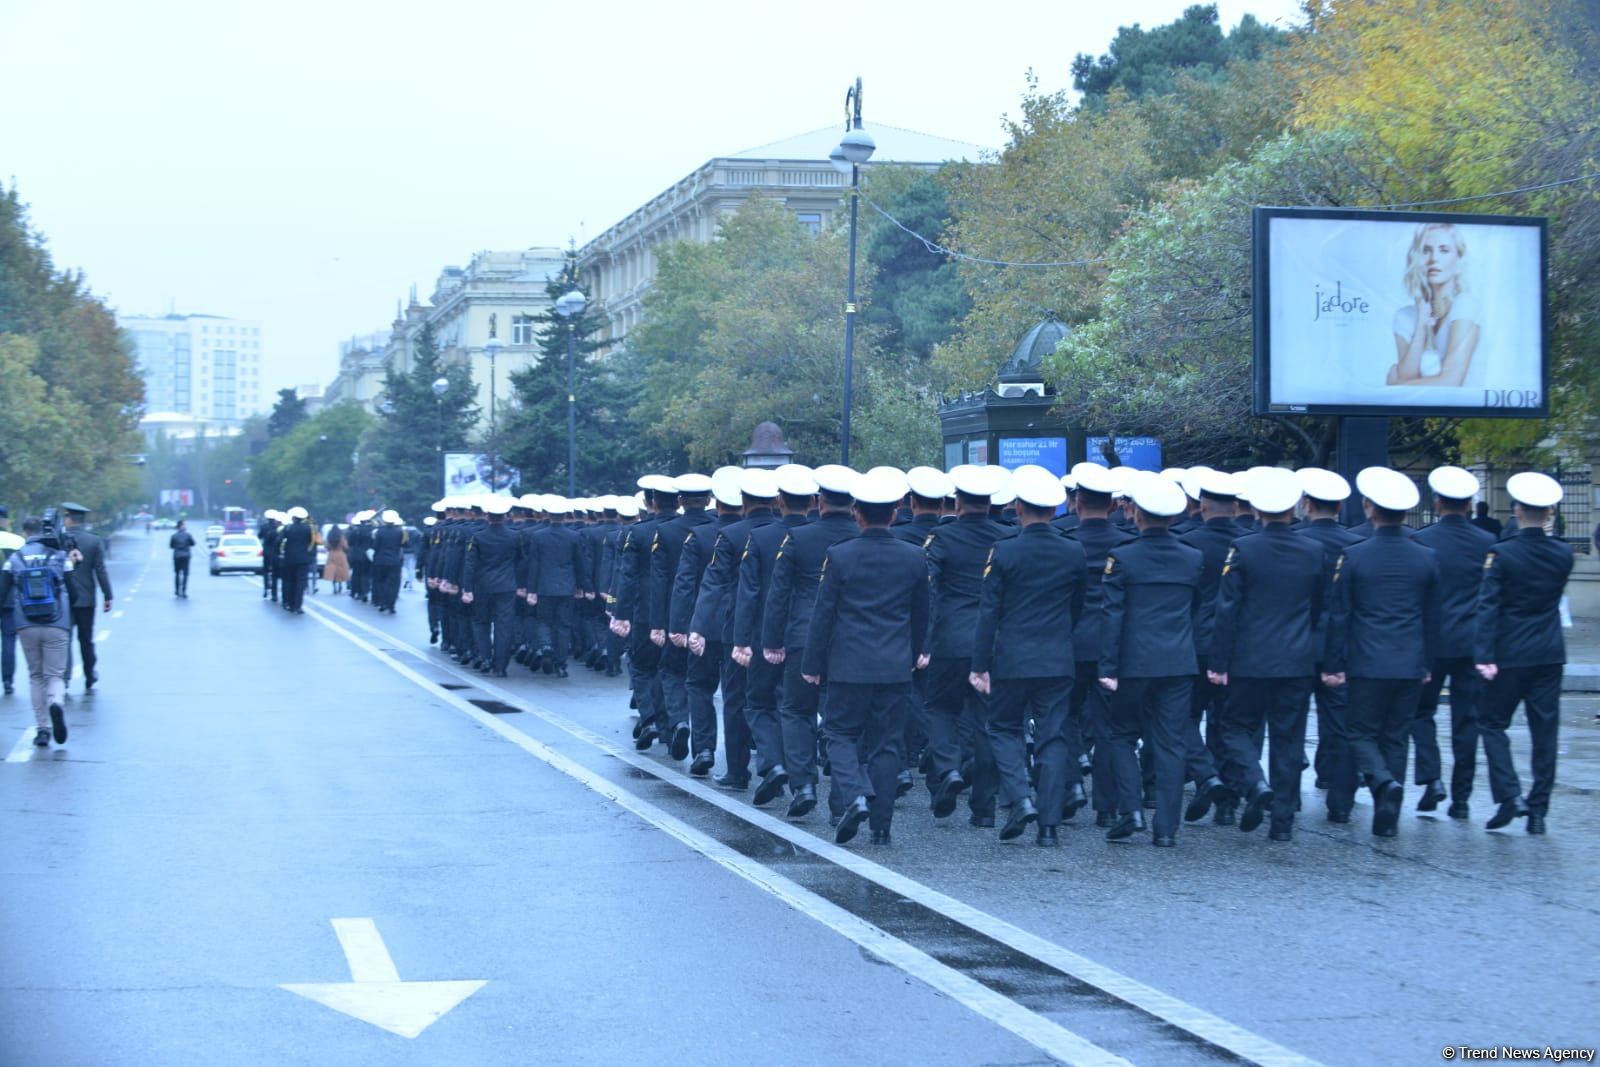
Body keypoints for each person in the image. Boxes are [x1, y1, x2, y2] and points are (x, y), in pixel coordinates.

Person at [802, 468, 930, 846]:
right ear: (895, 513)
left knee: (839, 734)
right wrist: (917, 652)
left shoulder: (839, 556)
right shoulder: (913, 556)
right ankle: (881, 826)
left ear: (857, 512)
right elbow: (922, 613)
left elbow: (823, 615)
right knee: (888, 744)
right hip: (895, 664)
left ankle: (855, 793)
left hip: (847, 663)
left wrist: (812, 664)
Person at [1206, 468, 1327, 842]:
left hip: (1249, 659)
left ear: (1256, 508)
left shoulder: (1244, 549)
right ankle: (1283, 821)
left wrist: (1218, 662)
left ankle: (1255, 782)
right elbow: (1321, 607)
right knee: (1289, 739)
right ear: (1295, 507)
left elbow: (1228, 611)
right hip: (1296, 659)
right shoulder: (1315, 550)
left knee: (1234, 728)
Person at [969, 466, 1087, 846]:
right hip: (1057, 656)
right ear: (1054, 511)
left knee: (1003, 728)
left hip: (1011, 657)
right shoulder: (1073, 550)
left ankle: (1021, 798)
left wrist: (979, 665)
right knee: (1053, 736)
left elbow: (989, 613)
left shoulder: (1004, 551)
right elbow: (1077, 606)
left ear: (1017, 507)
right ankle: (1049, 827)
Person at [1321, 468, 1440, 838]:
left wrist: (1333, 663)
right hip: (1410, 661)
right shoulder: (1427, 557)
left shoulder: (1354, 556)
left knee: (1358, 731)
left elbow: (1339, 615)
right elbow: (1433, 618)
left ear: (1369, 508)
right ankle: (1387, 815)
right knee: (1396, 736)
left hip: (1366, 660)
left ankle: (1381, 781)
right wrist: (1427, 664)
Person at [1098, 475, 1204, 848]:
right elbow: (1197, 612)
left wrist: (1107, 667)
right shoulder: (1193, 558)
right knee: (1171, 742)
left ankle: (1130, 811)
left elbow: (1113, 616)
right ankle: (1167, 829)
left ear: (1137, 514)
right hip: (1178, 661)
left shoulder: (1123, 557)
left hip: (1132, 663)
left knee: (1121, 734)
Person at [1475, 472, 1574, 835]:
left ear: (1516, 510)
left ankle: (1509, 795)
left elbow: (1489, 607)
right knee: (1544, 732)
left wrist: (1484, 654)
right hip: (1549, 653)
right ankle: (1537, 811)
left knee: (1492, 723)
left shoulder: (1501, 554)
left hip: (1510, 652)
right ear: (1549, 512)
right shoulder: (1563, 553)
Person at [923, 465, 1008, 828]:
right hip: (995, 641)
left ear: (957, 502)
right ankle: (984, 808)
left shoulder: (942, 538)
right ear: (990, 503)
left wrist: (923, 639)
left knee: (940, 708)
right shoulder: (1007, 537)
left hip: (949, 639)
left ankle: (947, 769)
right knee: (986, 722)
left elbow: (927, 587)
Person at [1411, 466, 1496, 819]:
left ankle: (1432, 779)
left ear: (1437, 501)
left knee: (1421, 713)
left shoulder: (1422, 540)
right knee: (1467, 720)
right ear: (1470, 503)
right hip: (1472, 643)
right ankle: (1461, 798)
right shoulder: (1489, 543)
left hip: (1431, 644)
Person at [732, 465, 814, 807]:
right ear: (812, 500)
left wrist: (741, 639)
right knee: (798, 710)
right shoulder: (817, 534)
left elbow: (748, 592)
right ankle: (803, 781)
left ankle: (773, 762)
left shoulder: (762, 537)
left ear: (779, 500)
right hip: (807, 635)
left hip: (765, 632)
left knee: (758, 703)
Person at [0, 514, 74, 746]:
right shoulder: (59, 556)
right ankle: (56, 703)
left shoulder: (14, 559)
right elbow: (75, 591)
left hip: (25, 622)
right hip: (57, 622)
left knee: (35, 676)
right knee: (55, 675)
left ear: (25, 532)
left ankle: (43, 729)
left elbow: (2, 593)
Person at [1386, 221, 1480, 387]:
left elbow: (1451, 382)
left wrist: (1395, 385)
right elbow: (1407, 375)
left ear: (1458, 257)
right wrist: (1422, 321)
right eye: (1426, 250)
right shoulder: (1404, 316)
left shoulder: (1465, 304)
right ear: (1416, 257)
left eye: (1444, 250)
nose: (1434, 259)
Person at [462, 496, 521, 676]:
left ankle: (485, 658)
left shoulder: (477, 536)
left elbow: (470, 564)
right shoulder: (515, 536)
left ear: (487, 516)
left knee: (481, 623)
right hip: (507, 586)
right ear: (505, 516)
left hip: (483, 586)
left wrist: (467, 589)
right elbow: (520, 561)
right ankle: (501, 666)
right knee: (504, 625)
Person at [59, 502, 111, 691]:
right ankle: (89, 674)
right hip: (86, 599)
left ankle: (64, 678)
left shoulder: (59, 540)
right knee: (86, 639)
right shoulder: (94, 541)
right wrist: (107, 595)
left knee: (64, 639)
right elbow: (100, 570)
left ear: (69, 519)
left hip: (63, 598)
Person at [0, 505, 22, 696]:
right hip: (8, 599)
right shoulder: (16, 541)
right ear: (6, 520)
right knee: (8, 639)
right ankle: (7, 680)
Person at [278, 507, 315, 614]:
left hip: (289, 558)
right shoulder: (309, 528)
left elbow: (279, 540)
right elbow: (312, 543)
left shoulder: (287, 528)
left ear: (293, 517)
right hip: (303, 559)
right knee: (301, 583)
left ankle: (289, 603)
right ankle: (298, 606)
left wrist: (281, 551)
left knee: (290, 581)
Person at [370, 510, 407, 613]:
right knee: (394, 584)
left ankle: (382, 603)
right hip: (395, 560)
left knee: (381, 582)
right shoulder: (400, 531)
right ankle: (391, 605)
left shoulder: (379, 531)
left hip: (380, 560)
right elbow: (404, 545)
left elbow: (375, 546)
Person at [169, 520, 196, 597]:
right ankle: (184, 591)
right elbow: (193, 543)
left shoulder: (174, 536)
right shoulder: (188, 535)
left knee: (177, 574)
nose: (185, 526)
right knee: (185, 574)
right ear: (181, 526)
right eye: (184, 525)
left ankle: (177, 591)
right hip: (186, 556)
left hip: (177, 556)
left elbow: (171, 546)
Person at [324, 523, 350, 595]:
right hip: (340, 554)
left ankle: (334, 587)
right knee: (340, 571)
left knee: (333, 572)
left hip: (331, 555)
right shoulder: (341, 537)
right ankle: (340, 586)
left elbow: (327, 547)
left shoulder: (329, 538)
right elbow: (346, 547)